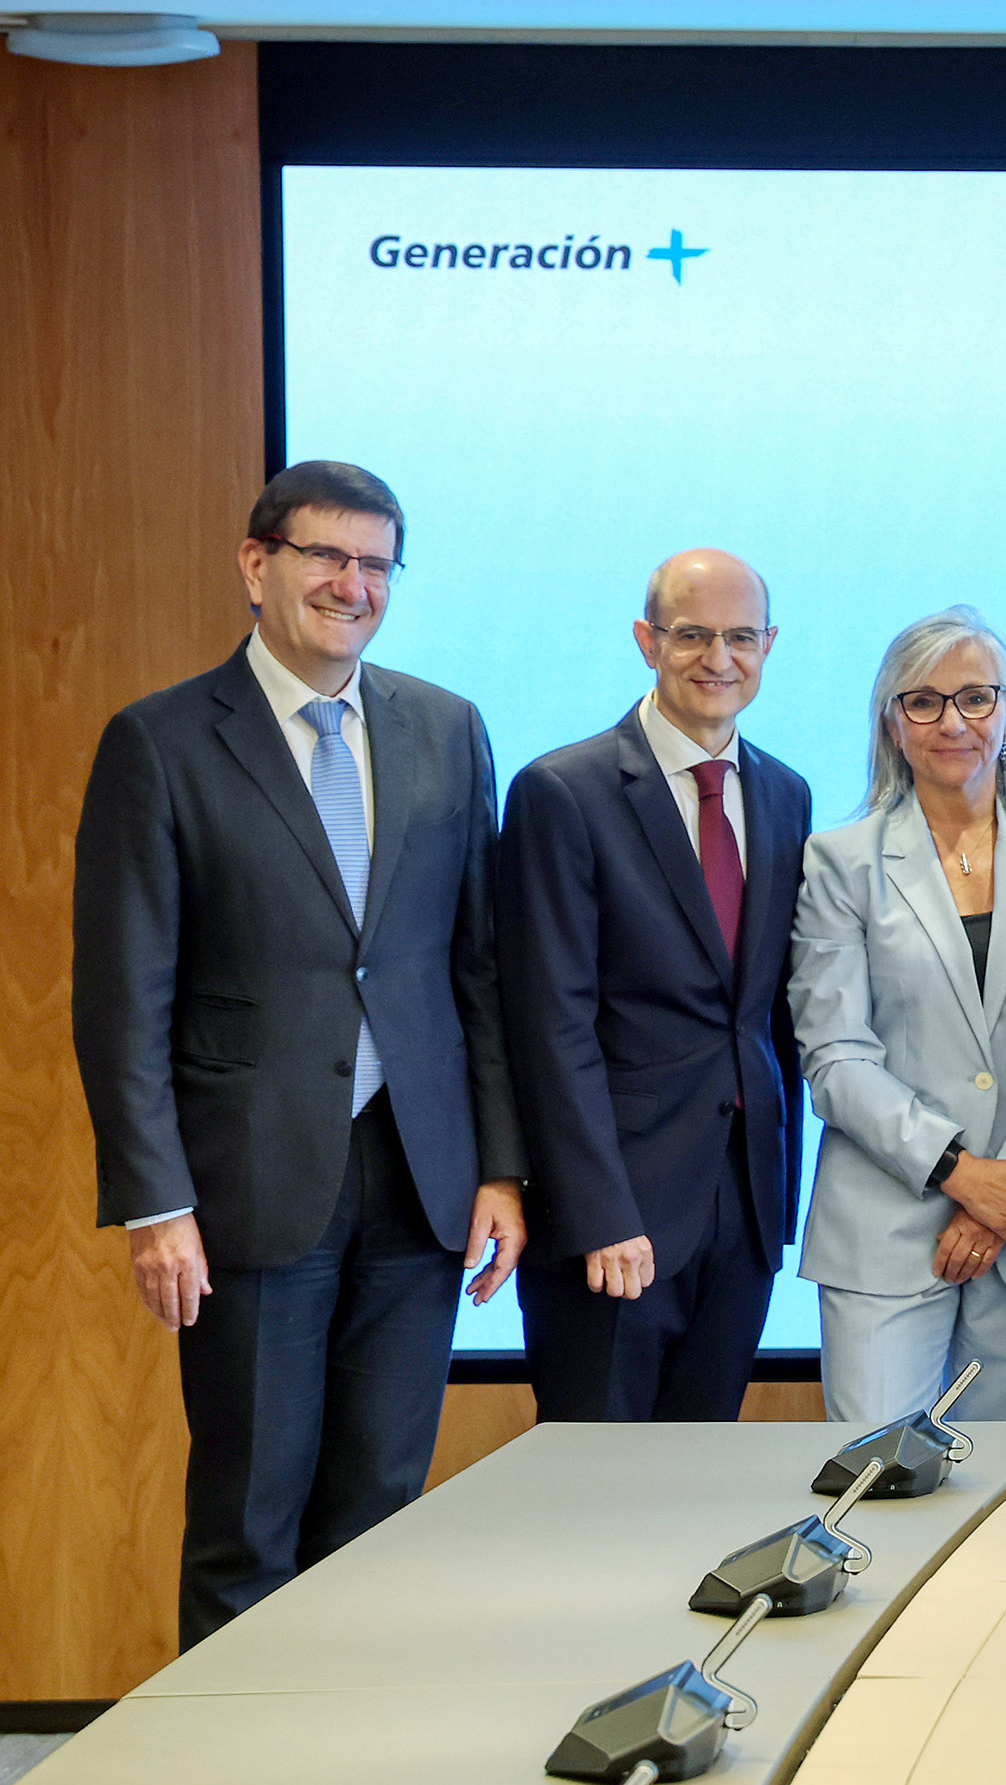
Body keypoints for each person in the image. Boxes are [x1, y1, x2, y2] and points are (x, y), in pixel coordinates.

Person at [72, 460, 525, 1645]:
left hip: (417, 1176)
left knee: (379, 1510)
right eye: (326, 555)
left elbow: (474, 968)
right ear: (256, 564)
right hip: (247, 1190)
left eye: (376, 562)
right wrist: (154, 1201)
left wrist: (500, 1168)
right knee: (248, 1520)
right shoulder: (162, 742)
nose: (352, 583)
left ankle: (347, 1781)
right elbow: (126, 994)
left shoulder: (446, 726)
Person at [499, 549, 811, 1422]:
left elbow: (770, 1013)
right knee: (596, 1502)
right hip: (616, 1212)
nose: (720, 658)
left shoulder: (786, 794)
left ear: (770, 644)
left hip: (741, 1209)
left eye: (742, 636)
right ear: (647, 641)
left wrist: (773, 1202)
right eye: (693, 635)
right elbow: (547, 1022)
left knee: (695, 1493)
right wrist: (596, 1210)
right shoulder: (564, 792)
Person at [791, 609, 1006, 1426]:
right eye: (922, 701)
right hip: (884, 1233)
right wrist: (960, 1172)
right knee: (874, 1490)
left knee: (1004, 1505)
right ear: (891, 722)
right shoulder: (840, 862)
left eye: (976, 698)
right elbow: (836, 1057)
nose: (952, 722)